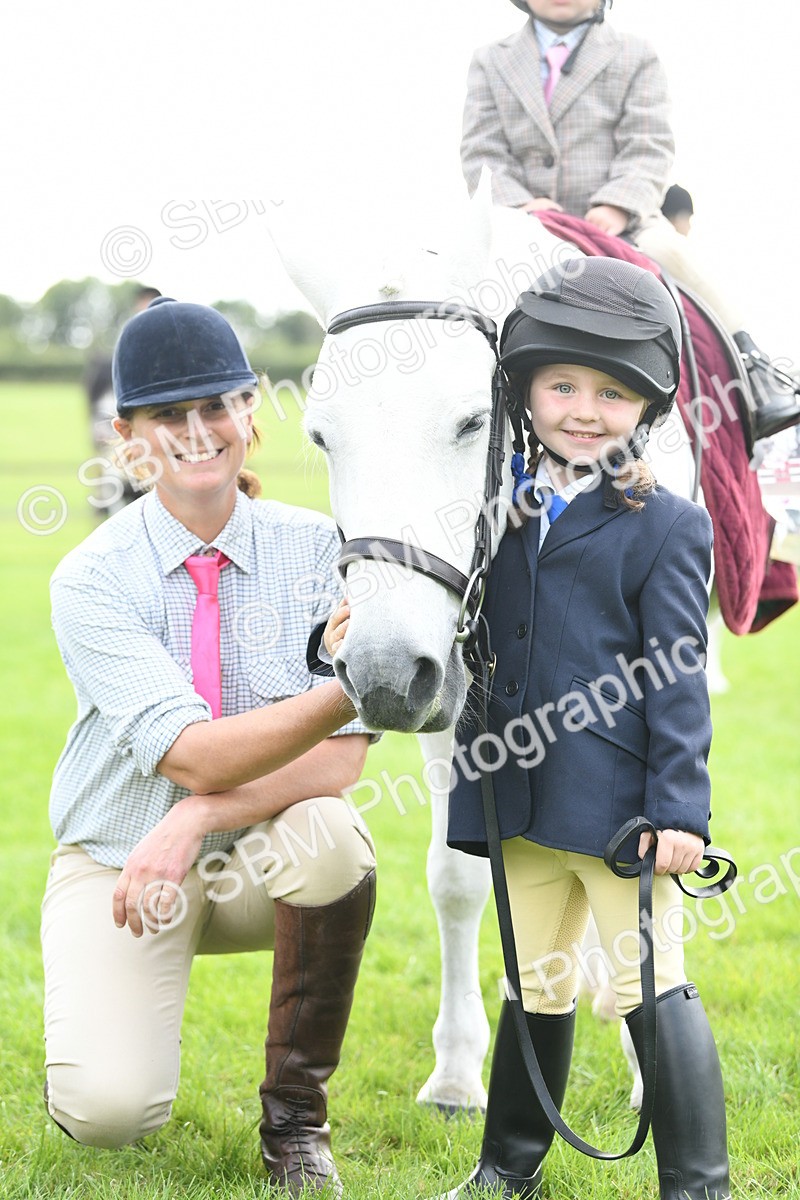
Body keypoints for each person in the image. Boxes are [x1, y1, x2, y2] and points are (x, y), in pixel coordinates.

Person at [42, 297, 376, 1198]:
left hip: (251, 868)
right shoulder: (90, 577)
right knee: (108, 1115)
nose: (198, 432)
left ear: (250, 413)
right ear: (128, 435)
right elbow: (191, 754)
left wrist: (205, 817)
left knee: (336, 837)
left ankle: (296, 1123)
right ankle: (100, 1022)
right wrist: (351, 685)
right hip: (123, 867)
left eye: (216, 404)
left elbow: (343, 760)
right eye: (167, 415)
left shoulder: (318, 549)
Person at [433, 258, 729, 1198]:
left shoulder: (668, 528)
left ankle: (697, 1183)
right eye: (563, 386)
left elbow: (680, 681)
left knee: (651, 986)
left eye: (611, 393)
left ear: (644, 408)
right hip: (517, 800)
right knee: (536, 986)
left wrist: (678, 810)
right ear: (526, 390)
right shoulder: (493, 516)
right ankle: (505, 1168)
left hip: (618, 817)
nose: (584, 409)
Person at [461, 0, 800, 440]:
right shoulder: (491, 59)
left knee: (670, 250)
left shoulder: (634, 53)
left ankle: (754, 368)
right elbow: (481, 151)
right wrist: (522, 206)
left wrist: (616, 205)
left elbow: (650, 143)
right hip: (525, 216)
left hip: (622, 218)